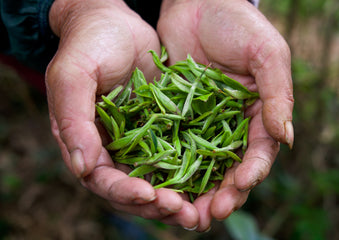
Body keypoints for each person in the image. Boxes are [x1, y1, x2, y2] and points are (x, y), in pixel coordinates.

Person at [0, 0, 294, 232]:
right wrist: (70, 6)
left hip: (135, 50)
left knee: (82, 103)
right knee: (77, 100)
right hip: (81, 48)